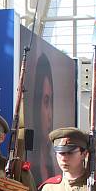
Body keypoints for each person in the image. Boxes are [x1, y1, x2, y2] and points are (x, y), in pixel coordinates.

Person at [33, 53, 56, 183]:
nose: (50, 115)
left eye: (50, 102)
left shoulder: (51, 167)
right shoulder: (27, 170)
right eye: (45, 102)